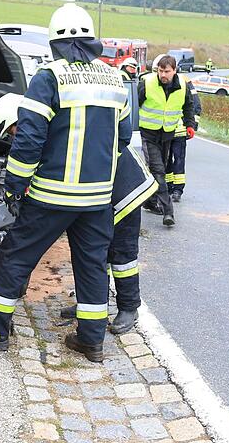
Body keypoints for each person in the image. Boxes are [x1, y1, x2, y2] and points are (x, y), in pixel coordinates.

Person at [0, 3, 130, 363]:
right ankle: (91, 340)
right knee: (92, 266)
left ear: (55, 42)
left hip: (52, 194)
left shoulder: (49, 78)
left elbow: (29, 140)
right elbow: (123, 137)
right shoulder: (115, 79)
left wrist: (14, 186)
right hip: (98, 198)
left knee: (15, 257)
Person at [59, 143, 156, 334]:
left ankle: (129, 307)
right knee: (96, 251)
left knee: (122, 254)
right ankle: (95, 304)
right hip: (102, 189)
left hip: (125, 190)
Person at [138, 54, 196, 225]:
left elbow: (188, 106)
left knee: (158, 169)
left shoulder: (182, 86)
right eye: (160, 71)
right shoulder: (147, 83)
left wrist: (190, 124)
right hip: (149, 133)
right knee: (158, 170)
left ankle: (150, 201)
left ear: (174, 70)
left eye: (167, 71)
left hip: (167, 134)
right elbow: (134, 105)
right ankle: (168, 211)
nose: (163, 75)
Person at [166, 75, 202, 202]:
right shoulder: (159, 82)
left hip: (179, 130)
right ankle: (169, 186)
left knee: (179, 160)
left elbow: (195, 106)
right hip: (164, 131)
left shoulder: (185, 82)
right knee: (166, 160)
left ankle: (177, 189)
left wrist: (192, 126)